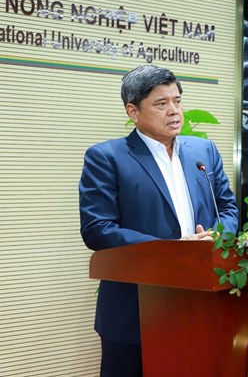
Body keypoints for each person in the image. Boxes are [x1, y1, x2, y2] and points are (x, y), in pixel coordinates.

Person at [79, 64, 239, 376]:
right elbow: (98, 229)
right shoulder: (107, 157)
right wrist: (173, 250)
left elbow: (227, 208)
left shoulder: (204, 150)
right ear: (133, 111)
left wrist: (217, 237)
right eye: (161, 103)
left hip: (200, 306)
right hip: (135, 312)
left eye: (177, 101)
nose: (174, 111)